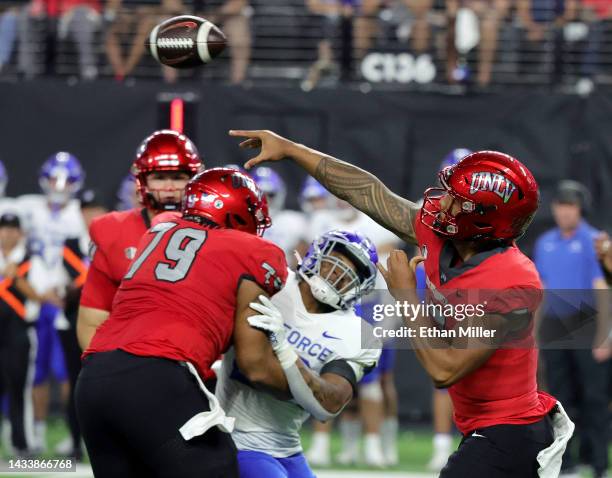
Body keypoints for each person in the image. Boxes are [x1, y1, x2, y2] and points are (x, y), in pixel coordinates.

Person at [229, 129, 573, 477]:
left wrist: (407, 296)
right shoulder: (446, 239)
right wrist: (293, 149)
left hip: (511, 434)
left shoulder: (511, 282)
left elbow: (445, 369)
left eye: (457, 201)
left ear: (484, 220)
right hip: (485, 430)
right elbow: (366, 191)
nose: (443, 203)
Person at [75, 168, 288, 477]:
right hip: (157, 376)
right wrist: (298, 386)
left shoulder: (157, 232)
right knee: (220, 467)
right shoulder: (255, 251)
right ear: (238, 211)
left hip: (94, 379)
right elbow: (254, 363)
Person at [216, 229, 380, 478]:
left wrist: (284, 349)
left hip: (287, 446)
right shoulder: (273, 283)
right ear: (316, 255)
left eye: (352, 272)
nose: (339, 274)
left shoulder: (360, 334)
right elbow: (254, 369)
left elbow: (328, 406)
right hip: (236, 435)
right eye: (335, 261)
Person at [77, 129, 203, 351]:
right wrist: (105, 370)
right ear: (141, 180)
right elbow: (92, 320)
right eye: (160, 178)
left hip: (201, 358)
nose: (170, 187)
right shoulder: (112, 230)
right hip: (131, 357)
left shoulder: (218, 229)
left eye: (178, 177)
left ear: (195, 179)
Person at [534, 180, 609, 478]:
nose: (565, 212)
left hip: (588, 325)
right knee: (560, 400)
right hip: (555, 327)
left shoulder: (596, 241)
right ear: (554, 209)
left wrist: (605, 336)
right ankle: (568, 464)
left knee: (594, 398)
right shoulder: (545, 243)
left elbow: (602, 289)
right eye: (561, 206)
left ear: (580, 209)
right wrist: (535, 336)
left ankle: (600, 464)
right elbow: (542, 290)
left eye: (571, 206)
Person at [16, 152, 87, 452]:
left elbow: (85, 259)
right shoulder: (28, 207)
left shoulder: (79, 213)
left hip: (65, 300)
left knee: (68, 371)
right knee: (36, 369)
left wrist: (67, 290)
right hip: (31, 298)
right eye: (55, 178)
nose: (59, 185)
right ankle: (37, 434)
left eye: (66, 179)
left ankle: (74, 436)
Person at [54, 189, 108, 460]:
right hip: (73, 320)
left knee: (108, 384)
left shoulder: (114, 242)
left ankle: (109, 443)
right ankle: (75, 441)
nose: (91, 216)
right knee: (77, 383)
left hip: (108, 322)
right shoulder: (71, 245)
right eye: (87, 211)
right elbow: (58, 286)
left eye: (96, 210)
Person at [427, 148, 472, 472]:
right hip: (441, 297)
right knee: (442, 377)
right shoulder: (432, 211)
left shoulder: (483, 216)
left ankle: (476, 440)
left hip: (478, 299)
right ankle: (442, 445)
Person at [0, 213, 51, 457]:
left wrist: (16, 277)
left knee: (19, 388)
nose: (7, 234)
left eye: (12, 229)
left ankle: (21, 444)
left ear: (20, 233)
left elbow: (40, 297)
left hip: (19, 332)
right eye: (3, 229)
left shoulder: (31, 261)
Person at [251, 166, 307, 267]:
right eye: (260, 194)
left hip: (286, 277)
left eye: (270, 194)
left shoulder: (294, 221)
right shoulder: (241, 222)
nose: (265, 199)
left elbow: (301, 257)